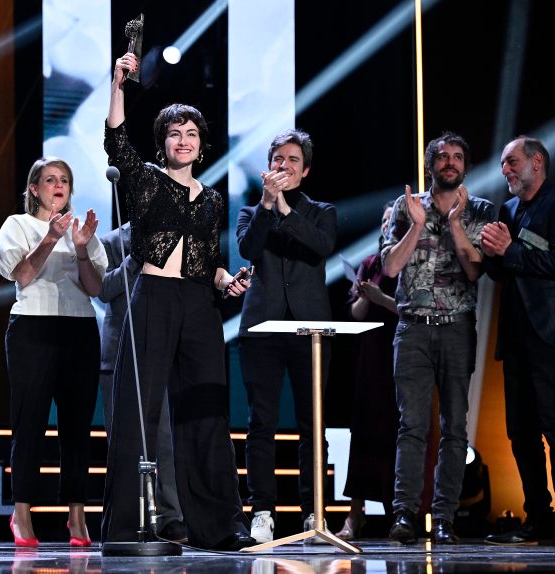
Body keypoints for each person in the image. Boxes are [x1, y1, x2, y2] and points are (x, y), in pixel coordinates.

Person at [101, 51, 253, 551]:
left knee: (207, 411)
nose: (183, 140)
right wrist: (119, 83)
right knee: (136, 411)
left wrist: (226, 280)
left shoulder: (212, 198)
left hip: (198, 304)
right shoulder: (146, 179)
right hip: (154, 298)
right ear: (163, 142)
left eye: (191, 134)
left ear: (202, 145)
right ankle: (125, 527)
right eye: (174, 133)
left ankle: (219, 525)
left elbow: (206, 258)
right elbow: (116, 140)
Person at [481, 137, 555, 546]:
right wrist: (491, 253)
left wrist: (510, 250)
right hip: (516, 333)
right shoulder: (508, 210)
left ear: (536, 162)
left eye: (511, 162)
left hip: (552, 332)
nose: (505, 170)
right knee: (520, 431)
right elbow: (502, 271)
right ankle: (538, 517)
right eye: (503, 164)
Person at [381, 132, 494, 545]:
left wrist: (456, 224)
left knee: (454, 428)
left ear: (465, 166)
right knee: (411, 425)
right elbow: (390, 268)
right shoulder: (404, 207)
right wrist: (416, 225)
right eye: (443, 156)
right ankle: (405, 514)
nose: (450, 162)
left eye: (457, 157)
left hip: (457, 328)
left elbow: (475, 271)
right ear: (430, 165)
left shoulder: (480, 209)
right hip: (412, 328)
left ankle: (445, 517)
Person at [0, 157, 105, 547]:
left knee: (77, 426)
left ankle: (77, 516)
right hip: (32, 327)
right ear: (34, 189)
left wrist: (80, 249)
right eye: (50, 179)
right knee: (30, 422)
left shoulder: (82, 231)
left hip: (79, 328)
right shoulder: (18, 225)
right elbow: (22, 275)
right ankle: (22, 513)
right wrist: (49, 239)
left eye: (64, 180)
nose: (58, 185)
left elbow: (95, 288)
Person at [235, 129, 337, 543]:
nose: (285, 165)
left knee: (313, 424)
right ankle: (262, 510)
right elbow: (248, 249)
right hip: (262, 328)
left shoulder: (321, 211)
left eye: (293, 160)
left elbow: (320, 246)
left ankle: (314, 511)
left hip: (310, 330)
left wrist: (284, 208)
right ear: (268, 167)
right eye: (278, 159)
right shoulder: (250, 211)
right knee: (261, 422)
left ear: (305, 169)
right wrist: (267, 205)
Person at [97, 223, 185, 542]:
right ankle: (128, 518)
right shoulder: (110, 242)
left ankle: (171, 516)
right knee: (123, 443)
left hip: (161, 349)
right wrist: (135, 258)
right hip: (119, 351)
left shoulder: (173, 236)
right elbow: (104, 289)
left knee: (165, 441)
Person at [335, 201, 399, 541]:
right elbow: (357, 314)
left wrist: (381, 298)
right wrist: (365, 296)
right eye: (384, 220)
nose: (387, 225)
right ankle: (355, 514)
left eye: (394, 220)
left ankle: (398, 512)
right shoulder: (370, 263)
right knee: (363, 431)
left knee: (397, 432)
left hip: (401, 351)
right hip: (371, 354)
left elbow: (412, 310)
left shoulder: (410, 262)